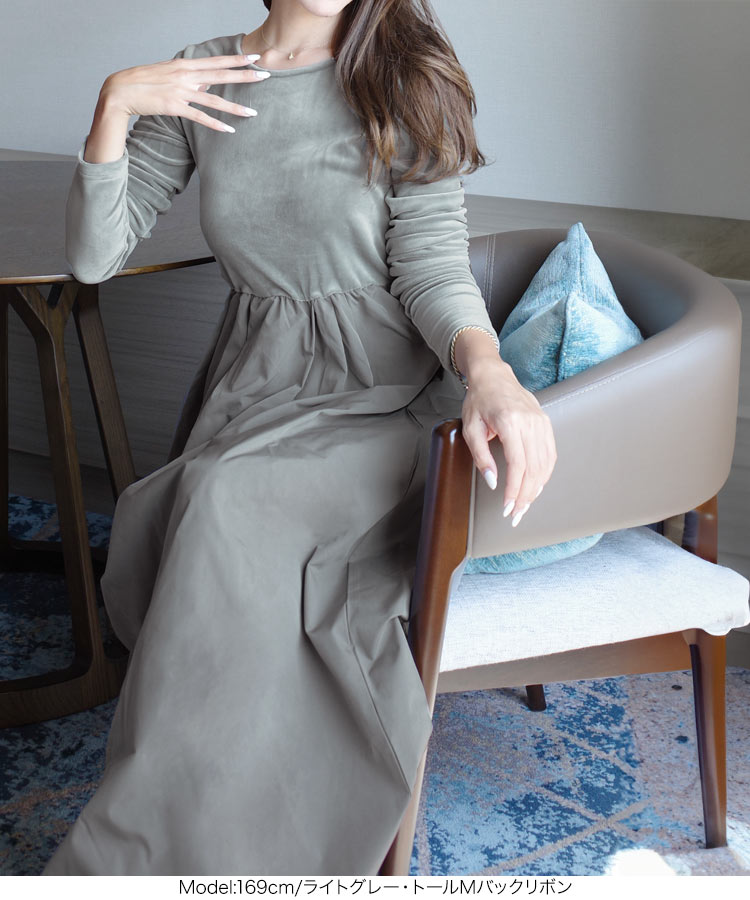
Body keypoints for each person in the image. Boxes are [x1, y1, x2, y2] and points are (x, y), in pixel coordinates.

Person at [42, 0, 556, 876]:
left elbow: (431, 267)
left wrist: (490, 373)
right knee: (194, 510)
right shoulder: (207, 71)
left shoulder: (404, 71)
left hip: (384, 391)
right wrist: (114, 106)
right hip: (256, 382)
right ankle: (184, 829)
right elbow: (95, 259)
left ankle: (143, 860)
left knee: (224, 503)